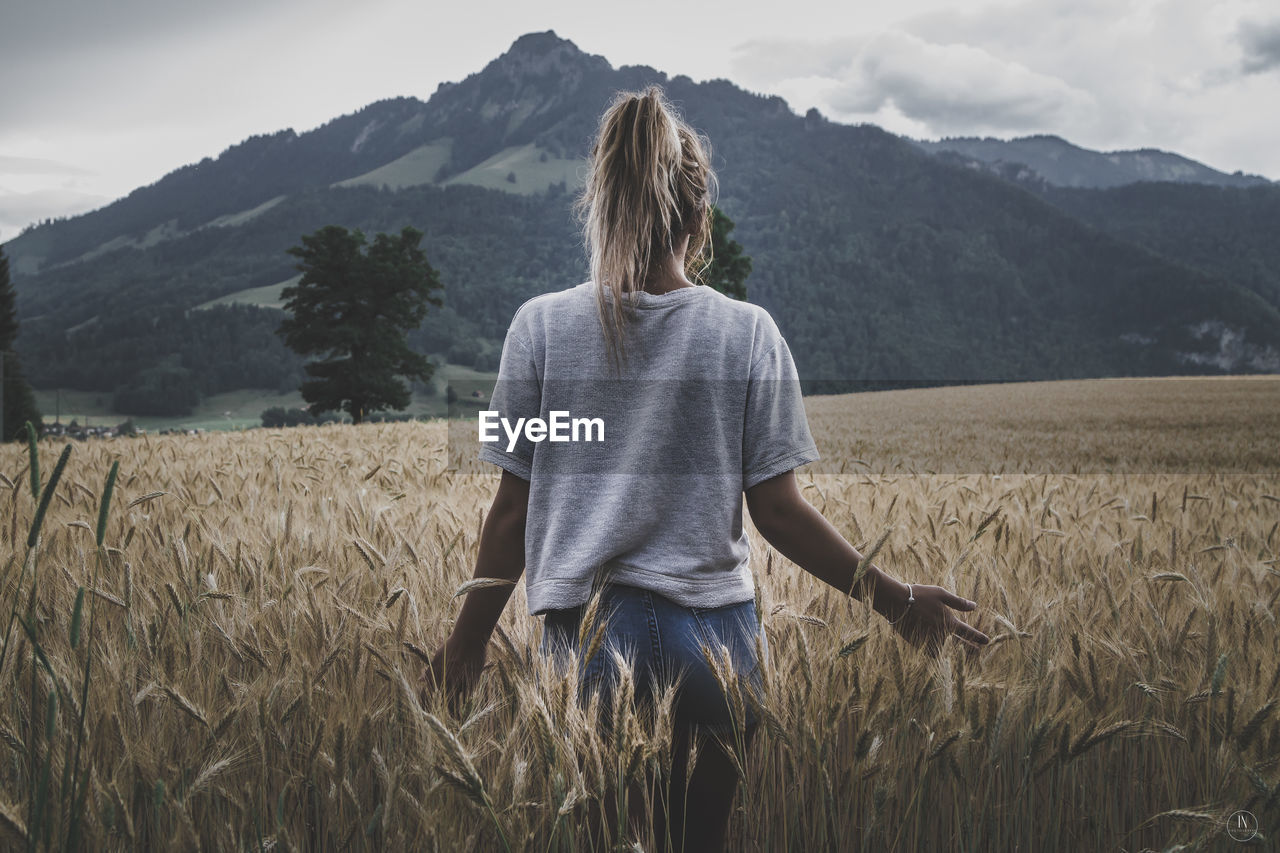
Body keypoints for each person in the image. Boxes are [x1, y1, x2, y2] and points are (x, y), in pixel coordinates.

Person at [419, 85, 990, 851]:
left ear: (603, 205)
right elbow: (778, 511)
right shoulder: (748, 334)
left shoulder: (539, 329)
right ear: (698, 218)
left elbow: (511, 515)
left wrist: (464, 647)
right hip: (716, 648)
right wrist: (894, 599)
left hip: (592, 646)